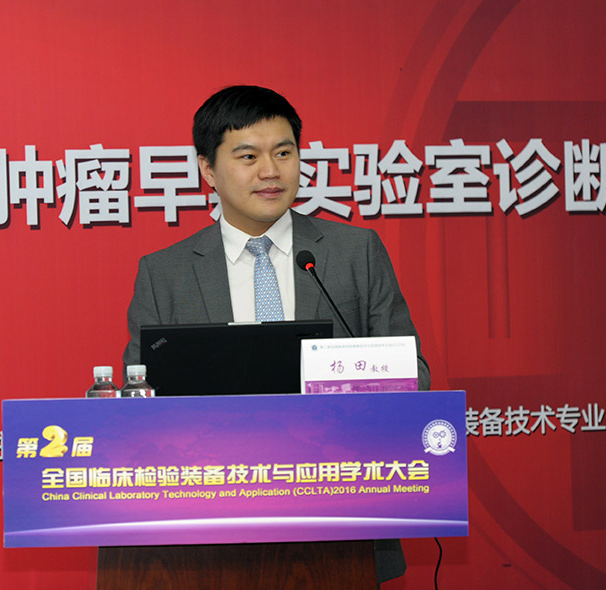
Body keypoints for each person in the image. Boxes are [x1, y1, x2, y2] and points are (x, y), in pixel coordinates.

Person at [122, 84, 430, 583]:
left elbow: (413, 371)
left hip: (340, 518)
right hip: (210, 526)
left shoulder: (354, 252)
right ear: (207, 169)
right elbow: (139, 397)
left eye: (284, 153)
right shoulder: (165, 273)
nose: (271, 171)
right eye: (248, 156)